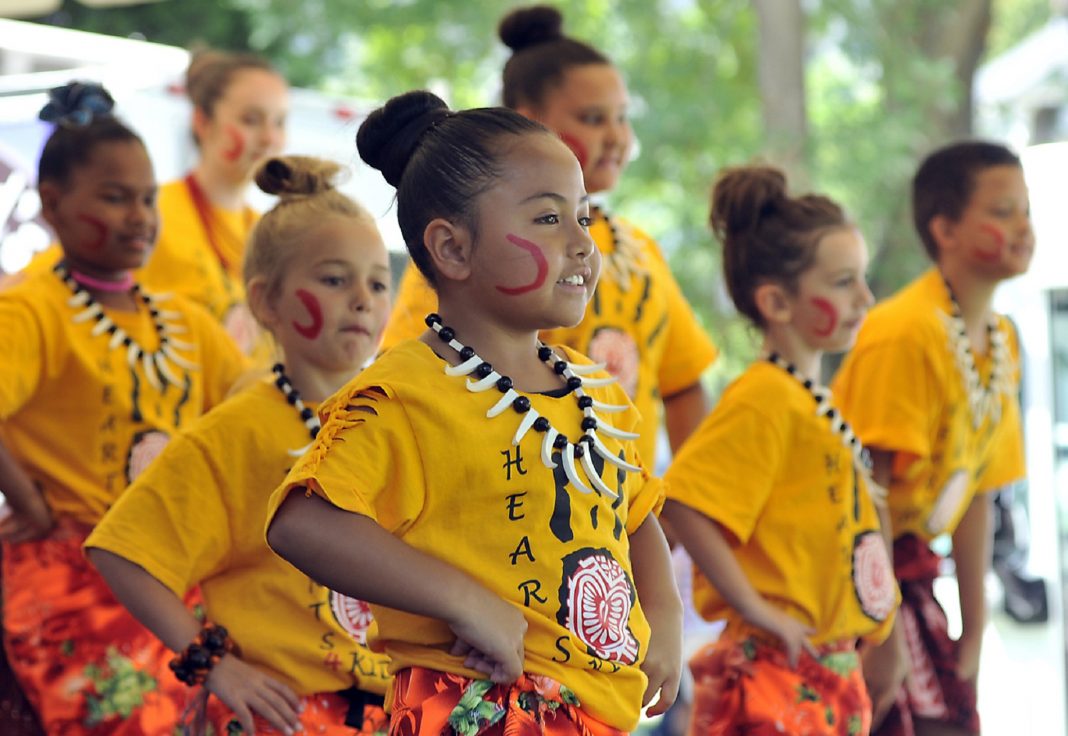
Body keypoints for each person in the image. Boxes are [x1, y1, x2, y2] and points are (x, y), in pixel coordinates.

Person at [265, 90, 683, 735]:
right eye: (548, 219)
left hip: (595, 713)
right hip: (470, 708)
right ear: (453, 250)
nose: (580, 244)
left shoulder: (596, 390)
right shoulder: (407, 389)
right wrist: (462, 601)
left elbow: (635, 514)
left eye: (584, 218)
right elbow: (302, 523)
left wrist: (665, 620)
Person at [87, 155, 393, 736]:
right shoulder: (236, 431)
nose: (362, 298)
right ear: (266, 302)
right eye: (334, 279)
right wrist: (215, 667)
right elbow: (122, 552)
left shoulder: (395, 417)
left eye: (378, 281)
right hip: (284, 716)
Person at [0, 82, 246, 734]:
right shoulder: (32, 312)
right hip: (72, 581)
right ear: (51, 203)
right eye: (114, 198)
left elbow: (254, 404)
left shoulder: (184, 323)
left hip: (175, 580)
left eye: (145, 198)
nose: (140, 216)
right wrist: (26, 500)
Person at [380, 5, 716, 465]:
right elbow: (419, 378)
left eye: (622, 117)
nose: (617, 136)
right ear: (528, 121)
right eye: (594, 119)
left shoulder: (641, 249)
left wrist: (676, 502)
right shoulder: (472, 255)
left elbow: (684, 384)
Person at [661, 166, 899, 735]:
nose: (865, 298)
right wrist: (757, 610)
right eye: (843, 282)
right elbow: (683, 504)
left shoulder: (806, 396)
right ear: (777, 301)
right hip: (776, 674)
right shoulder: (765, 397)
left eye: (861, 279)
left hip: (825, 668)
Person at [833, 141, 1033, 735]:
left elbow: (977, 493)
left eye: (1025, 209)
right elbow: (872, 499)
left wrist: (975, 630)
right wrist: (884, 636)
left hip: (913, 578)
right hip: (857, 583)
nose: (1024, 227)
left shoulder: (1001, 339)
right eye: (1002, 212)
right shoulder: (905, 334)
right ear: (944, 228)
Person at [22, 50, 289, 356]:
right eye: (251, 120)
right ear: (202, 121)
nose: (270, 138)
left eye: (280, 122)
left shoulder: (271, 235)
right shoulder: (149, 214)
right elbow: (39, 280)